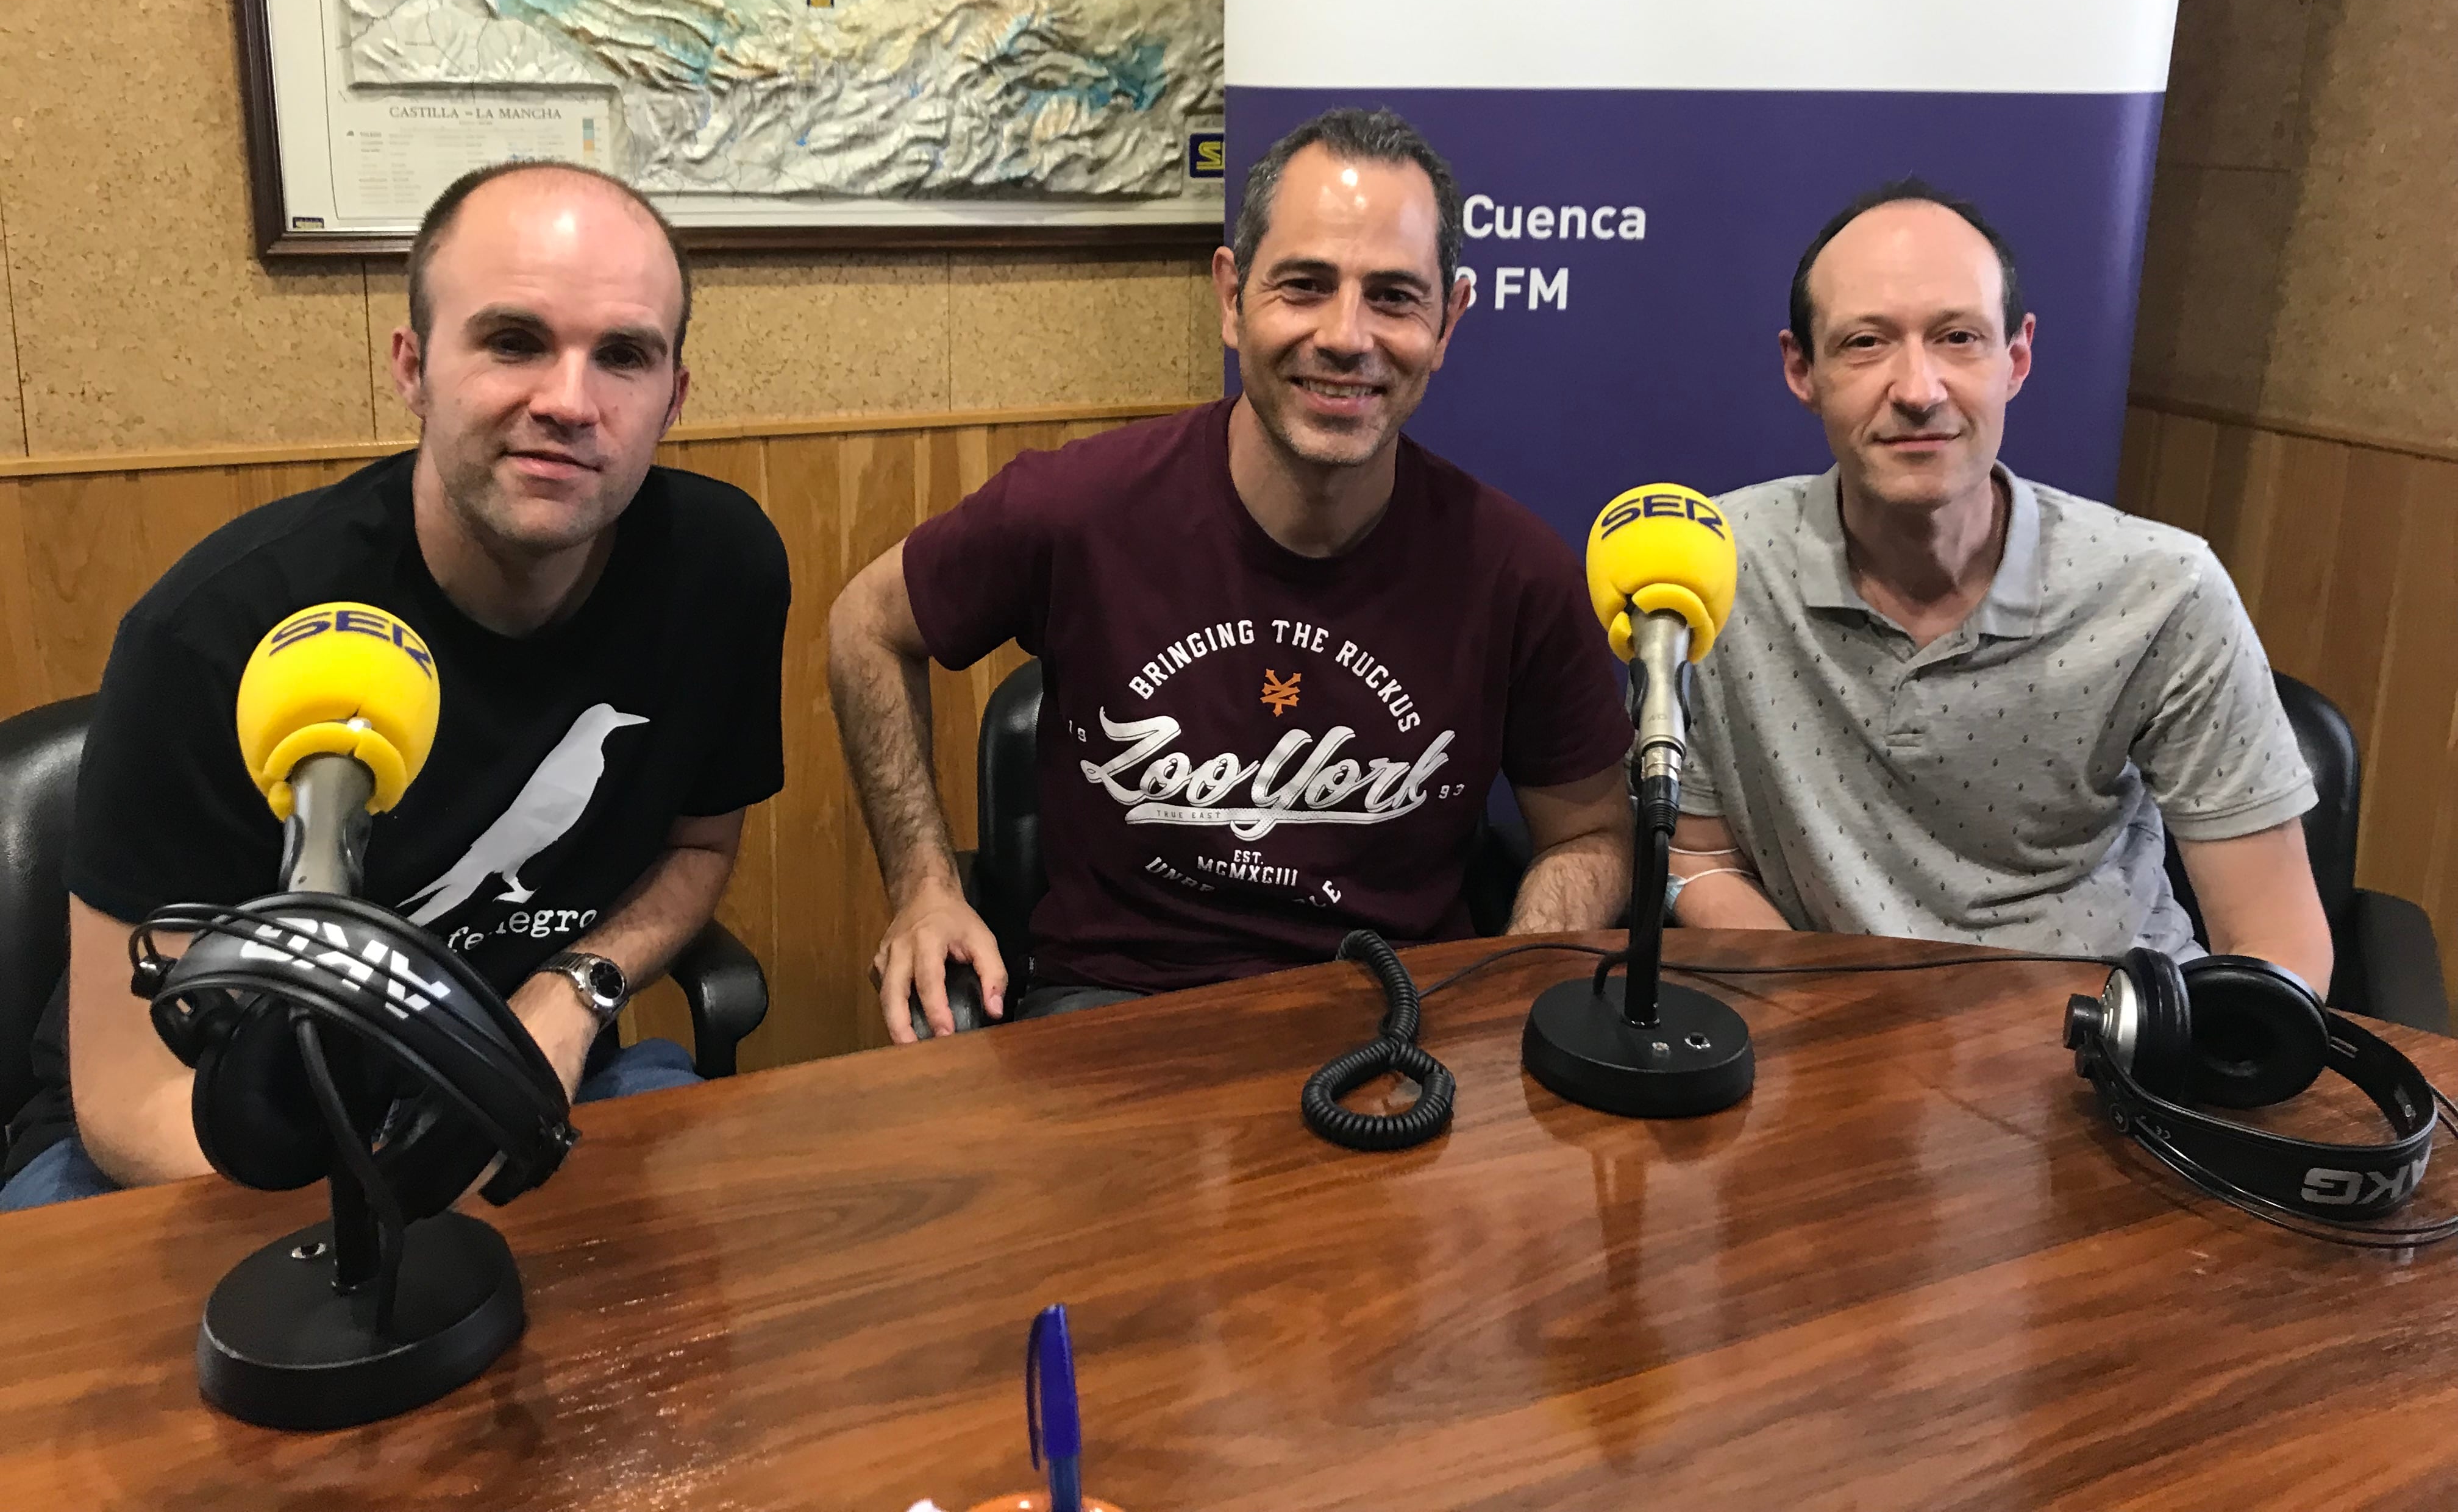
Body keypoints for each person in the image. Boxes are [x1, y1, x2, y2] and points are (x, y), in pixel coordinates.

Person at [0, 161, 789, 1210]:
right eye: (513, 341)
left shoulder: (721, 570)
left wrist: (576, 992)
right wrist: (397, 1193)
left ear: (674, 399)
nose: (569, 401)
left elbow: (698, 847)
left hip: (517, 1073)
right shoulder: (213, 634)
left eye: (624, 356)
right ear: (412, 369)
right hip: (209, 1140)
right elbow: (125, 1095)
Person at [832, 106, 1634, 1040]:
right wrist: (924, 889)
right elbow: (866, 625)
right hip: (1113, 1020)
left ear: (1448, 320)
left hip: (1399, 1023)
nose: (1347, 335)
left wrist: (1514, 976)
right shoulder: (1078, 508)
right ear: (1230, 294)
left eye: (1393, 297)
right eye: (1304, 285)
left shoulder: (1518, 572)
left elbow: (1590, 833)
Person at [1666, 180, 2334, 993]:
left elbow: (2276, 943)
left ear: (2015, 359)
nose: (1918, 390)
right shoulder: (1711, 563)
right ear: (1802, 370)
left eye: (1958, 338)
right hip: (1829, 1048)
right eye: (1866, 343)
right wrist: (1827, 1018)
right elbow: (1695, 857)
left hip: (2102, 1051)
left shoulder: (2165, 593)